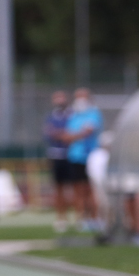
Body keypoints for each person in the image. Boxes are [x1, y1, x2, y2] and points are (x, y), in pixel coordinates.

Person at [62, 88, 103, 232]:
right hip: (75, 157)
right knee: (78, 190)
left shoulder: (94, 114)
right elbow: (66, 137)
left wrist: (74, 136)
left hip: (91, 158)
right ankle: (81, 219)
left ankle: (94, 218)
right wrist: (77, 135)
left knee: (91, 190)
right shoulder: (73, 115)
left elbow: (87, 132)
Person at [43, 91, 73, 232]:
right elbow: (49, 133)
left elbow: (71, 134)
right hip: (56, 156)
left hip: (71, 155)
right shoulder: (51, 116)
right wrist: (63, 135)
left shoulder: (72, 115)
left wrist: (63, 135)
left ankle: (80, 217)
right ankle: (61, 217)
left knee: (76, 187)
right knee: (58, 188)